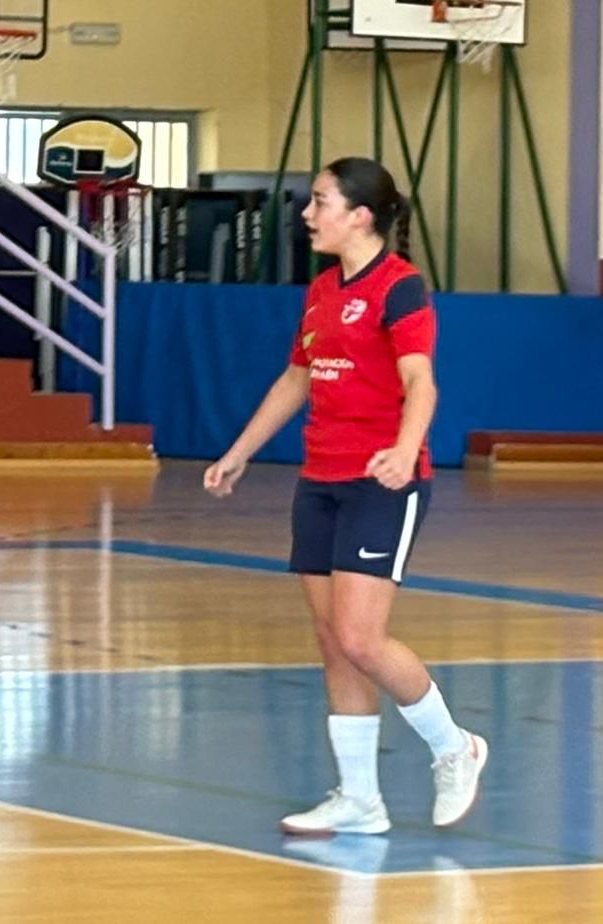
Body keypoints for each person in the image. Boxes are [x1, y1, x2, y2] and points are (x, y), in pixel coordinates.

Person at [204, 157, 488, 836]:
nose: (308, 213)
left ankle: (454, 746)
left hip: (381, 482)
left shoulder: (401, 288)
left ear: (360, 215)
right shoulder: (323, 290)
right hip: (320, 479)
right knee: (334, 642)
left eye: (321, 201)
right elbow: (296, 378)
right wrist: (237, 452)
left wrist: (402, 446)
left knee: (362, 637)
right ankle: (361, 800)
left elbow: (421, 382)